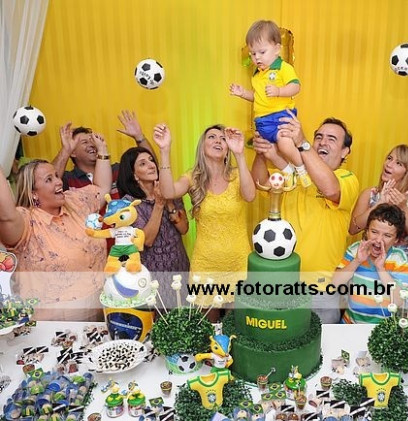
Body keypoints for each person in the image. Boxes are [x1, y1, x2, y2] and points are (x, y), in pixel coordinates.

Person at [252, 112, 360, 323]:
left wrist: (302, 143)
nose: (323, 142)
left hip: (321, 290)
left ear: (345, 151)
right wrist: (261, 154)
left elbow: (330, 189)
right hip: (282, 285)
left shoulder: (347, 178)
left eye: (331, 139)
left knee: (321, 343)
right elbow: (260, 182)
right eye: (319, 137)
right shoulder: (292, 172)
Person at [0, 132, 112, 321]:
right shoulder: (27, 221)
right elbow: (6, 216)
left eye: (56, 176)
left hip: (101, 309)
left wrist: (102, 150)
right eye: (48, 179)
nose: (59, 181)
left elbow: (102, 188)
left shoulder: (74, 201)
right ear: (33, 193)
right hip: (55, 322)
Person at [154, 123, 256, 321]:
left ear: (227, 148)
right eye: (212, 137)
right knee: (208, 328)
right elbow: (167, 192)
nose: (218, 140)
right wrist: (164, 150)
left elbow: (250, 195)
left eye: (223, 138)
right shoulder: (192, 178)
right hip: (206, 266)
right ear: (202, 146)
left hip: (238, 265)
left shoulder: (237, 175)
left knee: (237, 326)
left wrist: (240, 154)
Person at [229, 20, 309, 187]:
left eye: (262, 52)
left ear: (277, 49)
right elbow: (258, 97)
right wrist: (243, 93)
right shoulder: (257, 75)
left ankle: (302, 170)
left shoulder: (283, 68)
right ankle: (288, 171)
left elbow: (296, 86)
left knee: (285, 144)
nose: (257, 57)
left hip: (280, 116)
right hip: (262, 121)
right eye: (253, 54)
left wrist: (279, 91)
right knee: (267, 151)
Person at [117, 146, 190, 308]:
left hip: (180, 268)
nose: (151, 165)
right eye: (143, 163)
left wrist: (168, 200)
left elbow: (184, 229)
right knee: (160, 318)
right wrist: (159, 204)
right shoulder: (128, 204)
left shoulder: (171, 191)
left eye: (151, 160)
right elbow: (146, 240)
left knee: (185, 315)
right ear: (134, 175)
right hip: (153, 275)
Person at [349, 145, 408, 283]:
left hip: (400, 268)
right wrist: (378, 204)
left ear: (407, 172)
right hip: (368, 264)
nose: (389, 164)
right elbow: (353, 229)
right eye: (389, 158)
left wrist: (403, 208)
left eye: (398, 163)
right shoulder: (369, 194)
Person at [333, 204, 408, 324]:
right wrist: (357, 261)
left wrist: (381, 269)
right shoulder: (355, 250)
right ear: (366, 232)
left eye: (387, 235)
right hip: (349, 323)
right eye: (374, 232)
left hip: (382, 329)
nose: (379, 240)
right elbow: (334, 284)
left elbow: (399, 301)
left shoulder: (399, 259)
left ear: (396, 239)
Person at [52, 110, 154, 198]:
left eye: (93, 140)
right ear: (73, 152)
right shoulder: (68, 179)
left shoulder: (118, 170)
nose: (92, 145)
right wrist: (66, 150)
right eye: (85, 142)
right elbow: (47, 184)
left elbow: (151, 168)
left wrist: (139, 137)